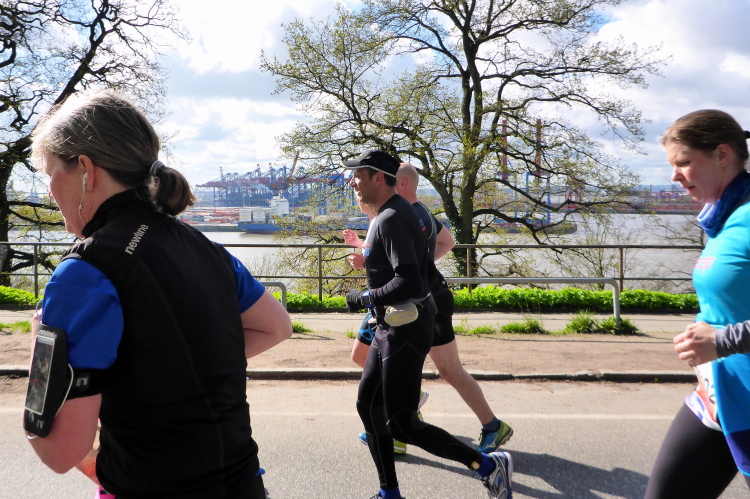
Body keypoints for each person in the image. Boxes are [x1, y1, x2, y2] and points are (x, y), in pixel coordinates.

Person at [25, 90, 293, 499]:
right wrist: (173, 374)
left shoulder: (84, 272)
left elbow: (59, 452)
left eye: (49, 173)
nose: (48, 191)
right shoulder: (203, 246)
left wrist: (40, 354)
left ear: (85, 170)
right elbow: (275, 326)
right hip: (244, 485)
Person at [343, 149, 512, 499]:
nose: (352, 182)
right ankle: (389, 492)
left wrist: (364, 297)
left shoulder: (392, 217)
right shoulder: (396, 212)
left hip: (405, 327)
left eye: (358, 175)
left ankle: (488, 466)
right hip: (391, 324)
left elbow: (409, 281)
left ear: (378, 177)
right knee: (368, 406)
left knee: (403, 423)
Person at [645, 110, 750, 499]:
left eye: (684, 162)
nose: (675, 176)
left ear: (722, 154)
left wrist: (722, 340)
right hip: (718, 399)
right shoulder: (726, 218)